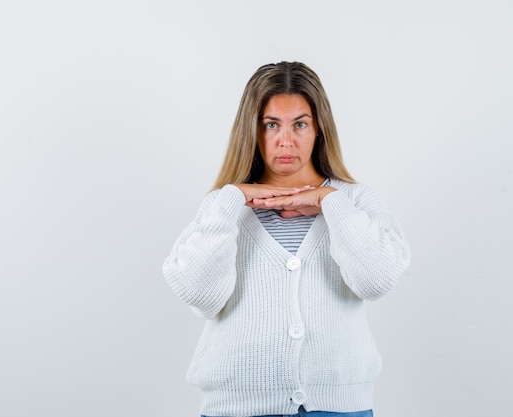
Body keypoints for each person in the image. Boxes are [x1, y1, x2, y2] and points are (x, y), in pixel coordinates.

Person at [163, 61, 411, 417]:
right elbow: (201, 297)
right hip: (235, 409)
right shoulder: (223, 207)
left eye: (300, 124)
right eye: (271, 125)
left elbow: (377, 280)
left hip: (339, 409)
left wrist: (330, 203)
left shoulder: (353, 201)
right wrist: (232, 197)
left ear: (318, 129)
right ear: (252, 130)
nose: (286, 141)